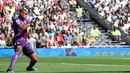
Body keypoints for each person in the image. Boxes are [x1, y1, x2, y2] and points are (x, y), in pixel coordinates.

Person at [7, 8, 38, 73]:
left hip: (25, 41)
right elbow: (23, 27)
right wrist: (30, 22)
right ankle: (10, 69)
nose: (26, 16)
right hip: (18, 39)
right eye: (25, 14)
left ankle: (29, 68)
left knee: (35, 59)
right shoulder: (16, 20)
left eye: (27, 14)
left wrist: (35, 20)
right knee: (19, 50)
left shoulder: (26, 20)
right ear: (21, 13)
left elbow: (34, 26)